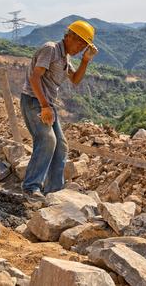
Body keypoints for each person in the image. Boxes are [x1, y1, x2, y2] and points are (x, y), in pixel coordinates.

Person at [21, 20, 98, 199]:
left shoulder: (65, 58)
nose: (80, 48)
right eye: (79, 42)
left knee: (61, 145)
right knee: (47, 140)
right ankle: (31, 188)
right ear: (69, 36)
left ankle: (54, 191)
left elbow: (76, 79)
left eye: (84, 45)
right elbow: (34, 78)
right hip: (34, 101)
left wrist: (86, 60)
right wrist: (44, 106)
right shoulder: (51, 50)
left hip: (47, 104)